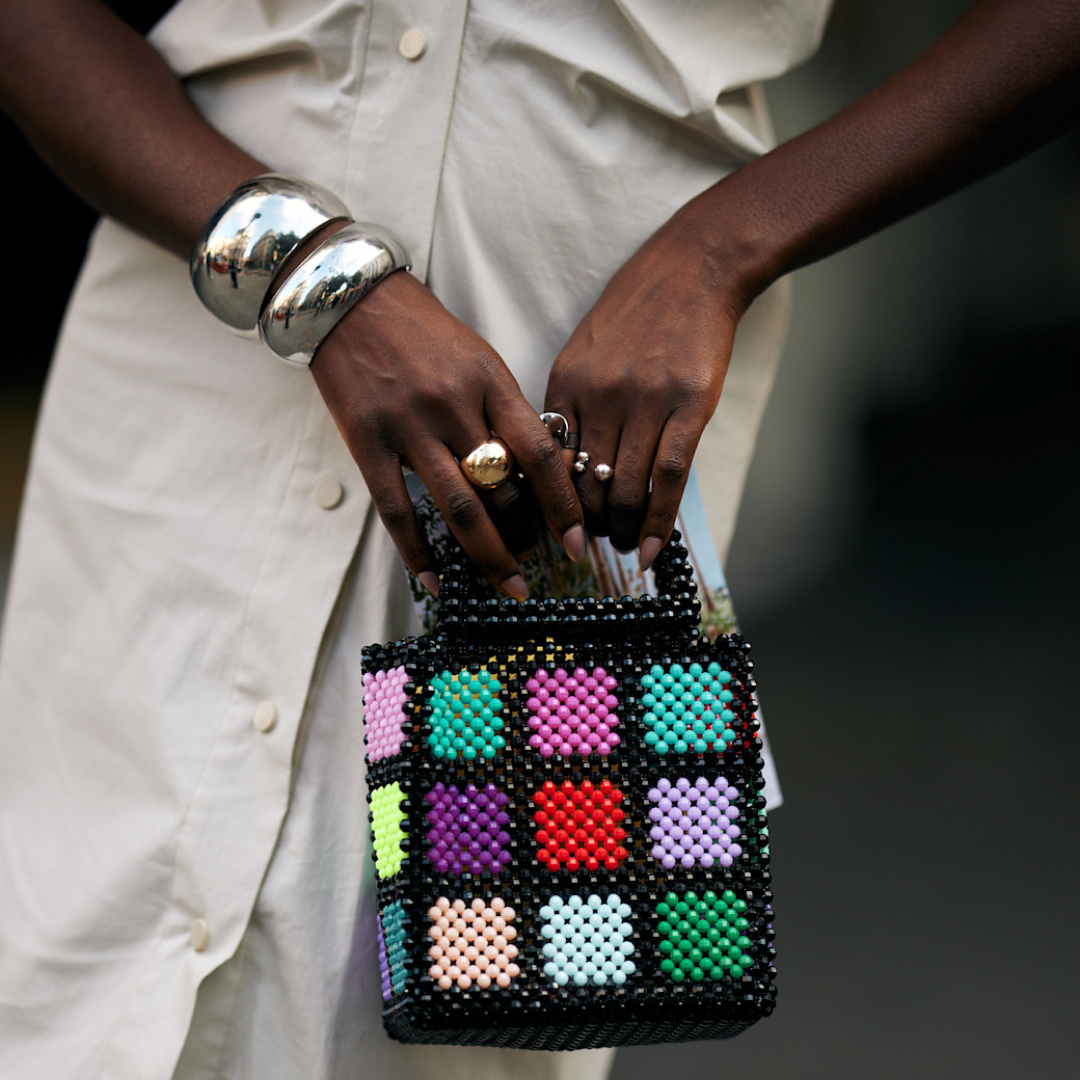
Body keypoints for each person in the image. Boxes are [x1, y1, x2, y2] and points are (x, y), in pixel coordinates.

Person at [0, 1, 1076, 1078]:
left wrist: (722, 246)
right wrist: (310, 272)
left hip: (595, 396)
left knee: (473, 1004)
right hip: (191, 351)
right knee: (71, 947)